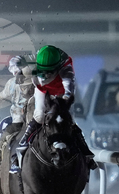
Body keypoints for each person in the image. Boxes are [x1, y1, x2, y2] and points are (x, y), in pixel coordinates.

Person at [10, 45, 97, 174]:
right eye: (42, 70)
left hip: (62, 93)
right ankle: (20, 149)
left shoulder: (66, 68)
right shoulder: (37, 57)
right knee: (39, 115)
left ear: (57, 67)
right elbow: (15, 60)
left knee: (69, 120)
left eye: (48, 71)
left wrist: (63, 102)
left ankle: (86, 153)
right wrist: (17, 71)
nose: (44, 76)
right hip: (42, 90)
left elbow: (69, 90)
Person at [0, 55, 34, 151]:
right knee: (1, 137)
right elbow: (0, 97)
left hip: (33, 118)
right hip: (17, 118)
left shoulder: (35, 81)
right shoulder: (11, 83)